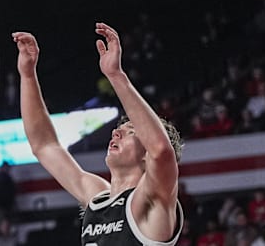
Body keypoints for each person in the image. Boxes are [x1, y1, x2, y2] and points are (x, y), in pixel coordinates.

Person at [13, 23, 184, 246]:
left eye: (130, 131)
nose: (116, 132)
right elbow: (44, 145)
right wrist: (27, 76)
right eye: (119, 128)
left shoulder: (152, 199)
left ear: (146, 155)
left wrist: (115, 76)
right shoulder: (97, 197)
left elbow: (161, 150)